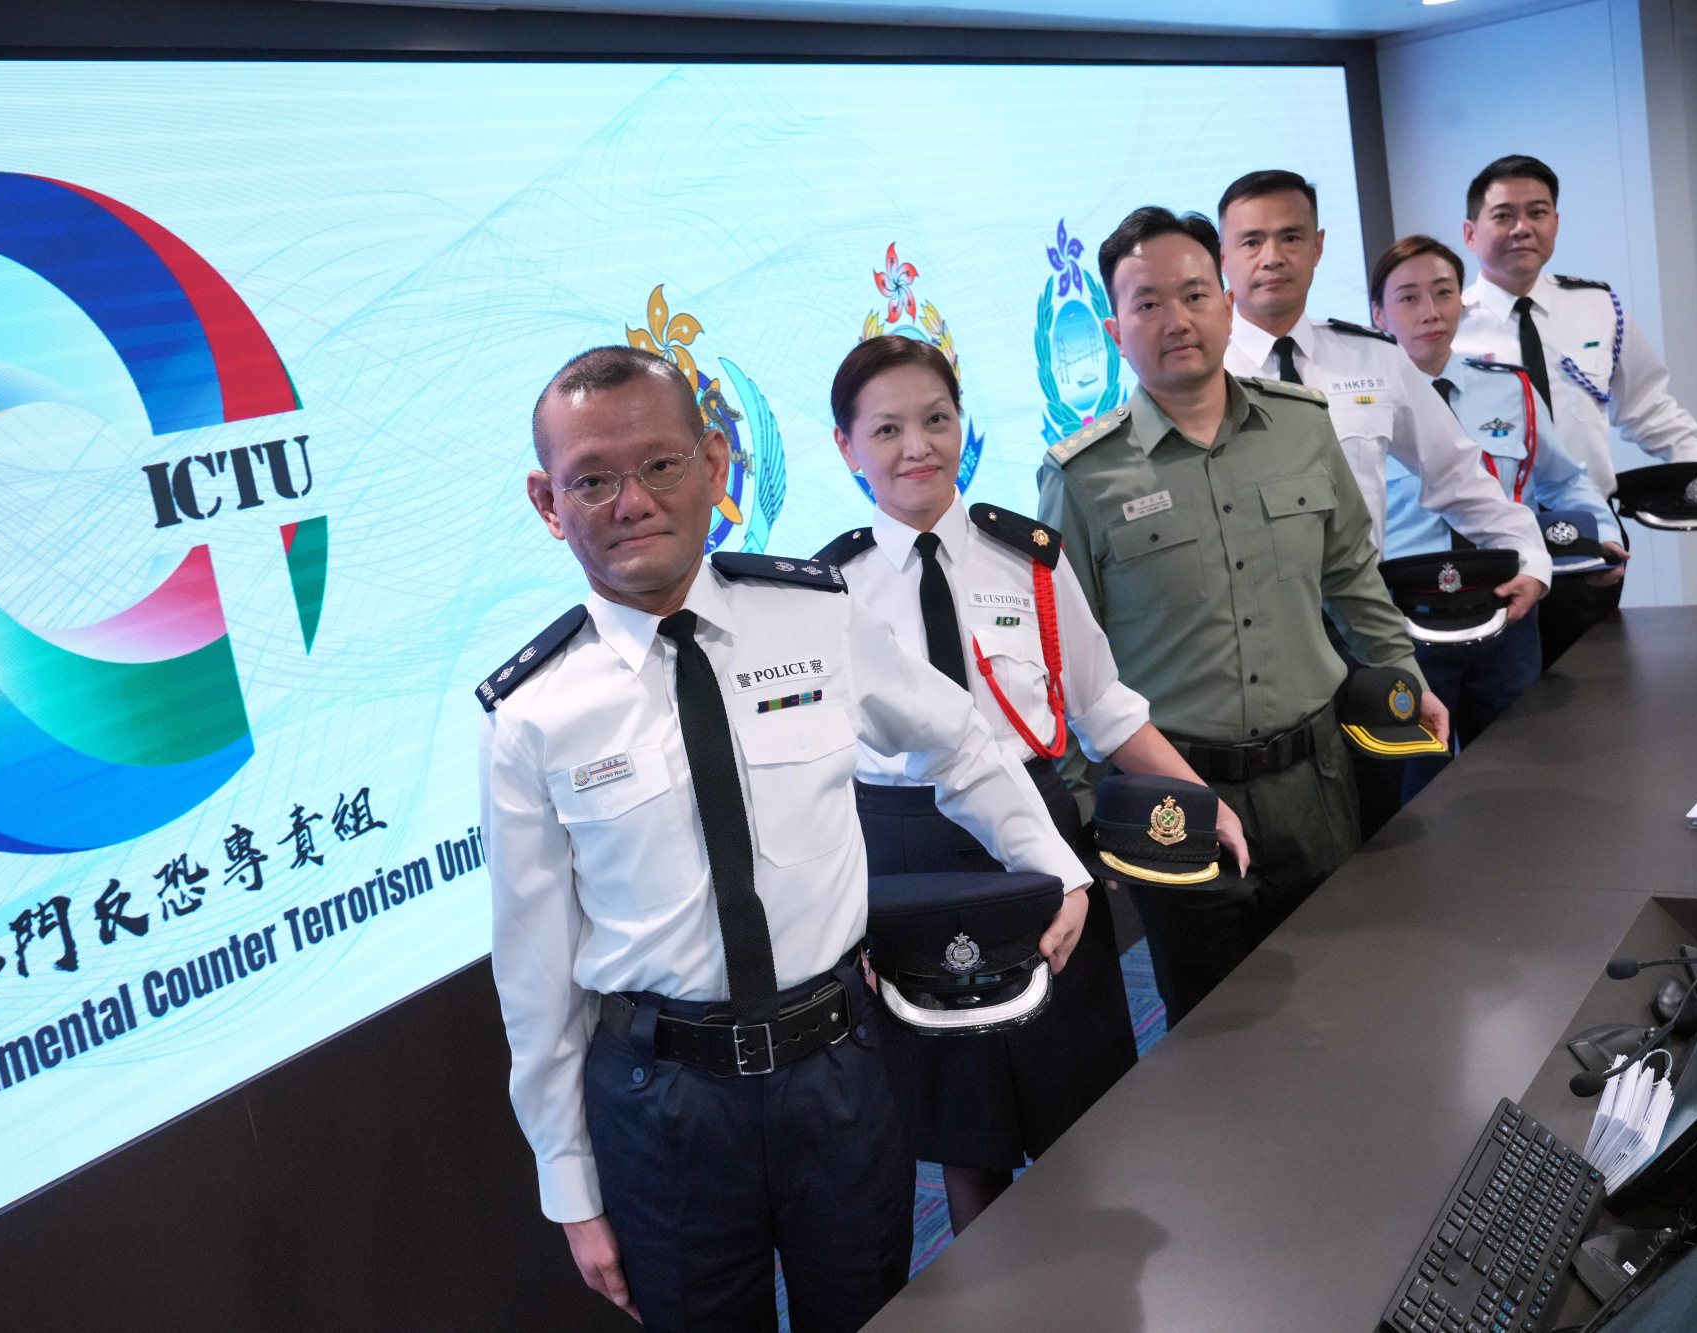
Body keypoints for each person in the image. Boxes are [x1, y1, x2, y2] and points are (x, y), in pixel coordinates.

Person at [479, 345, 1092, 1333]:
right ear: (549, 503)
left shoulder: (809, 615)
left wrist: (1053, 863)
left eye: (661, 464)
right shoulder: (533, 714)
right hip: (664, 1100)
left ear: (715, 464)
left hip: (838, 1067)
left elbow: (959, 741)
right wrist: (571, 1187)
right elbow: (535, 977)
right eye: (592, 479)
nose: (630, 499)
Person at [814, 334, 1249, 1231]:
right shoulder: (823, 595)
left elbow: (1106, 708)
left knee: (1079, 1099)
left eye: (935, 419)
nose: (916, 447)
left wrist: (1203, 803)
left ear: (962, 424)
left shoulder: (1027, 561)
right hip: (906, 858)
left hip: (1042, 846)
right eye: (886, 428)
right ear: (845, 448)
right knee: (963, 1131)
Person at [1036, 207, 1449, 1025]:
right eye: (1147, 303)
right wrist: (1086, 814)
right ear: (1116, 329)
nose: (1175, 319)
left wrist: (1403, 671)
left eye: (1193, 294)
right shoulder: (1082, 477)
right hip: (1173, 801)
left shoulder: (1299, 425)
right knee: (1216, 1034)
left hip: (1317, 779)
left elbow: (1350, 574)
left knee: (1353, 996)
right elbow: (1061, 665)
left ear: (1226, 302)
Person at [1215, 168, 1550, 836]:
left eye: (1289, 236)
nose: (1271, 256)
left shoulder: (1368, 361)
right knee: (1281, 834)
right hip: (1252, 650)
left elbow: (1457, 474)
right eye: (1250, 241)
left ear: (1317, 246)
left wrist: (1531, 558)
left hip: (1361, 633)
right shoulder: (1200, 374)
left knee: (1386, 821)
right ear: (1222, 257)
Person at [1368, 232, 1626, 796]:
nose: (1430, 311)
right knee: (1414, 791)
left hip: (1506, 610)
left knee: (1524, 777)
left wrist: (1599, 534)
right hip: (1407, 623)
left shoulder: (1511, 390)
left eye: (1443, 292)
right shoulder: (1355, 406)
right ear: (1379, 313)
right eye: (1408, 298)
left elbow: (1564, 480)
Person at [1452, 153, 1697, 665]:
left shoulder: (1598, 307)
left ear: (1556, 222)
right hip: (1497, 542)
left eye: (1538, 212)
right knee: (1510, 696)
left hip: (1589, 533)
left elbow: (1646, 407)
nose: (1522, 228)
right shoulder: (1448, 326)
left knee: (1597, 682)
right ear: (1470, 232)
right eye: (1504, 215)